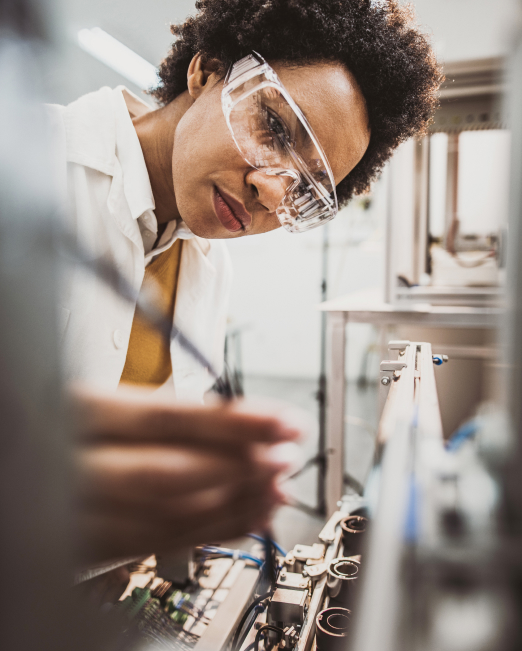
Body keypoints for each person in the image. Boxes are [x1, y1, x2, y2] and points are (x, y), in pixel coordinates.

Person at [53, 0, 442, 562]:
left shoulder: (209, 265)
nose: (274, 192)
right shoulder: (26, 159)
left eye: (306, 189)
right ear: (206, 70)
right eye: (276, 128)